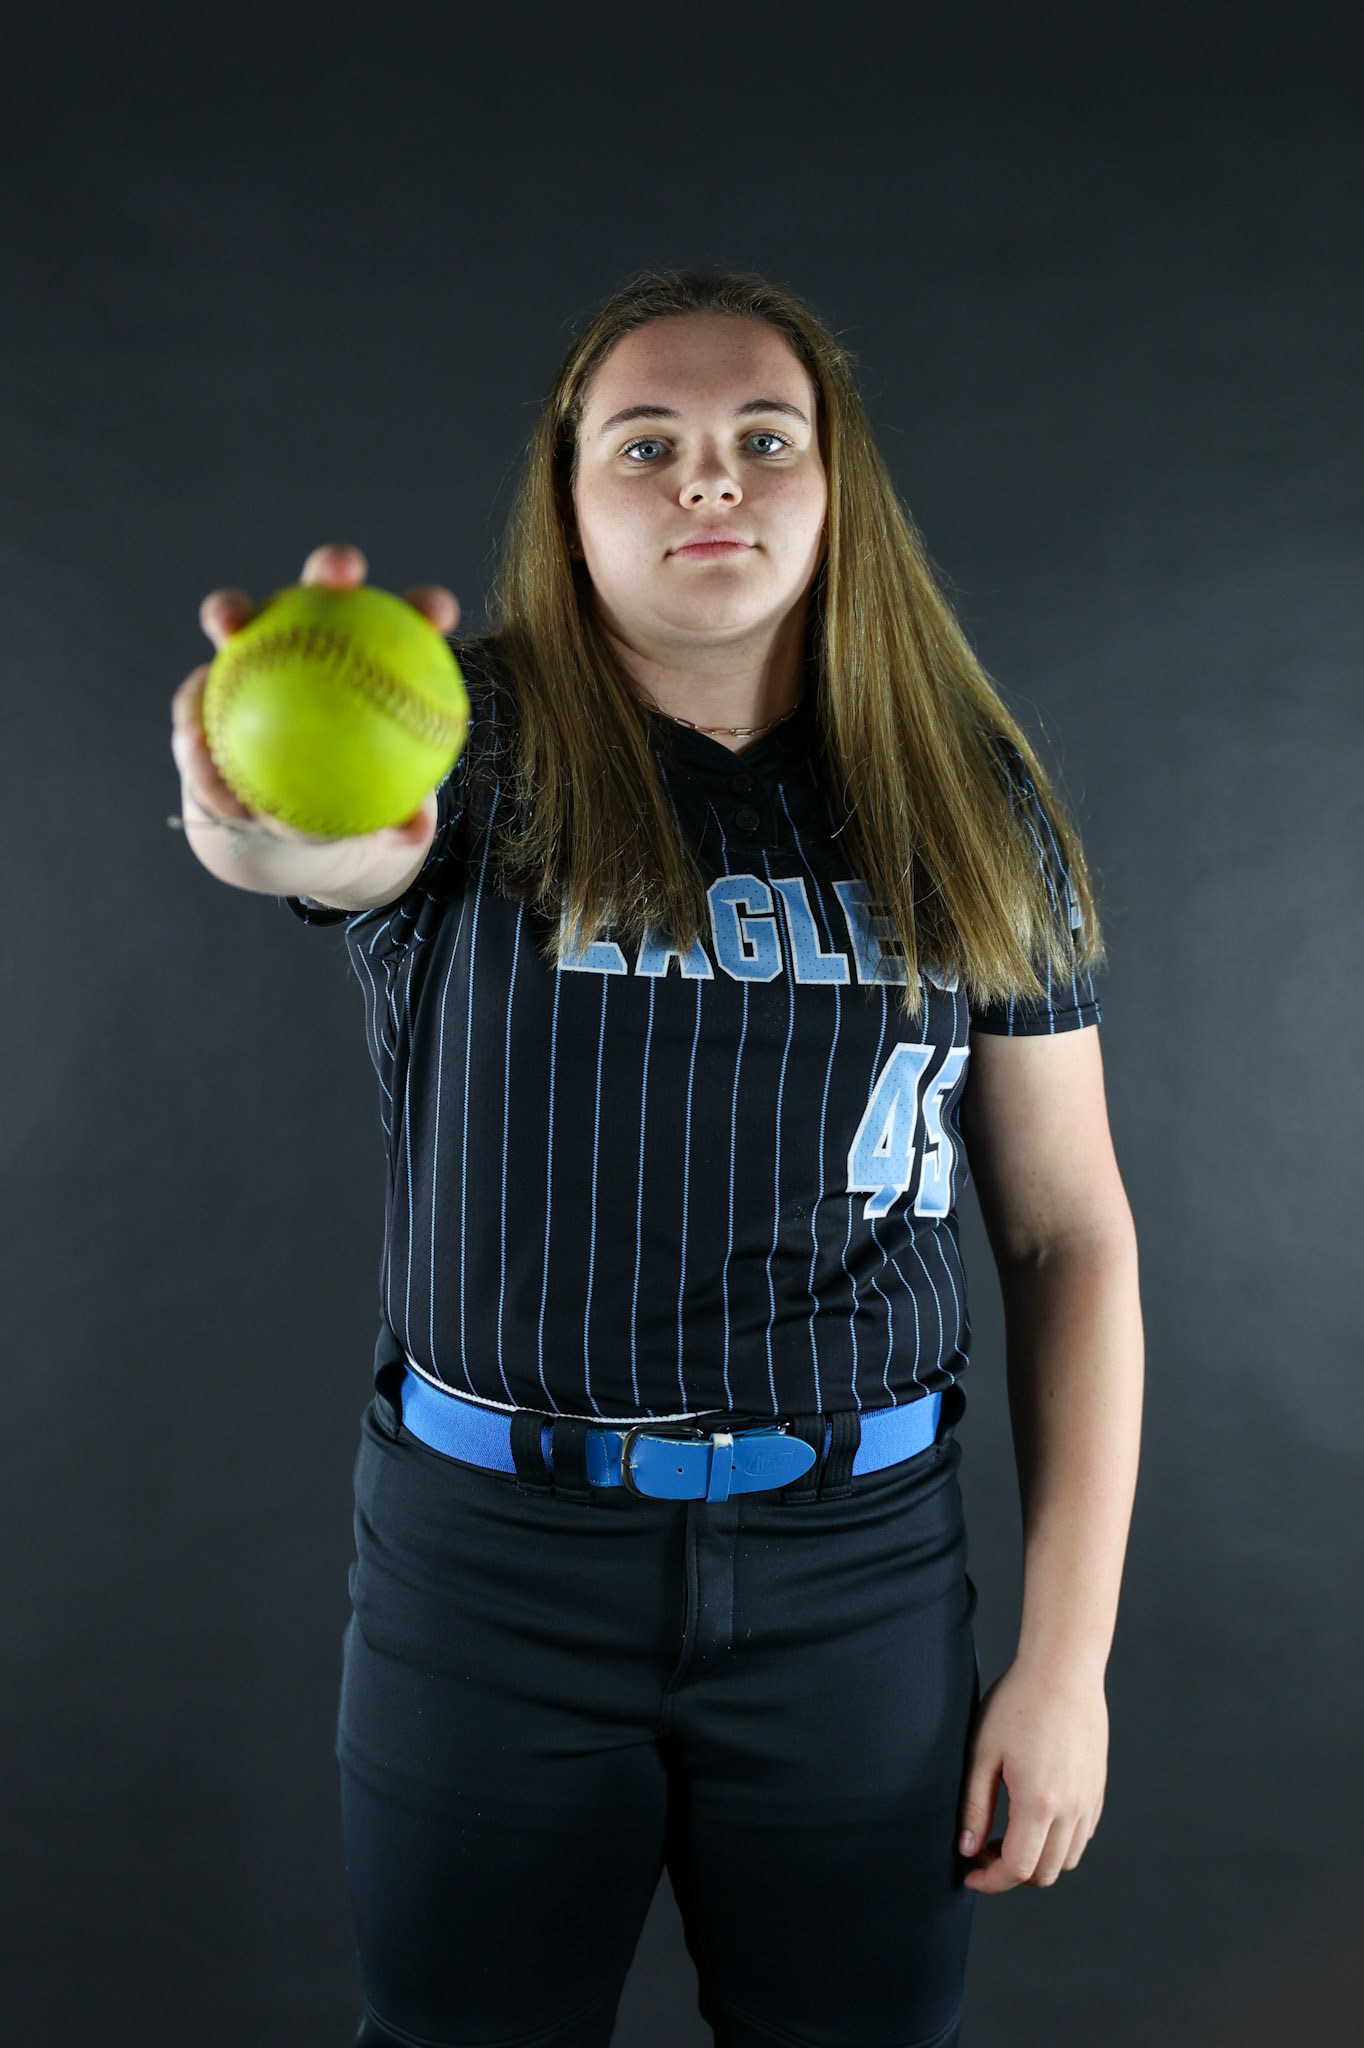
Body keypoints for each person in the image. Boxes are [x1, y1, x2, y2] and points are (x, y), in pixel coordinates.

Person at [169, 267, 1144, 2048]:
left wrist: (1066, 1667)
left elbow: (1070, 1235)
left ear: (838, 492)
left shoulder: (963, 789)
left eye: (766, 439)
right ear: (571, 501)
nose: (714, 478)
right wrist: (257, 813)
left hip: (856, 1570)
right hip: (495, 1570)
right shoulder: (462, 745)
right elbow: (331, 857)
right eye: (651, 444)